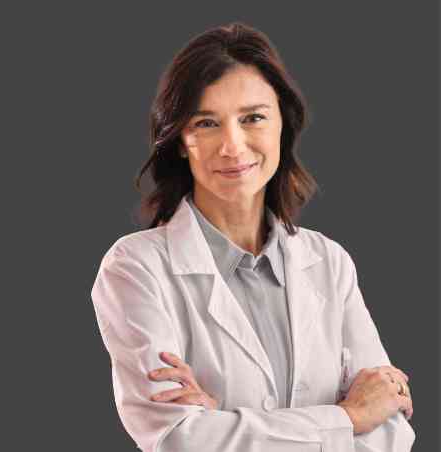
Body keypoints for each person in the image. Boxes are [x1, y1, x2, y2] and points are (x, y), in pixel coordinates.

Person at [90, 22, 415, 452]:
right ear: (181, 140)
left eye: (253, 118)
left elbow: (391, 430)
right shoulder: (136, 268)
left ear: (283, 123)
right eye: (206, 123)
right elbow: (178, 439)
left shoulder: (329, 261)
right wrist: (348, 417)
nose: (233, 145)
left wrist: (223, 423)